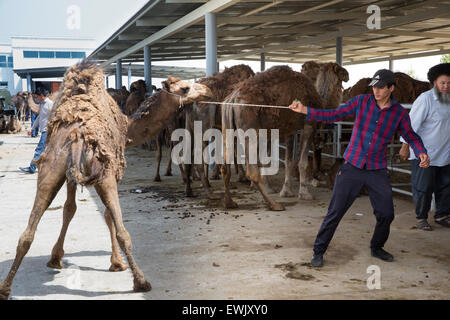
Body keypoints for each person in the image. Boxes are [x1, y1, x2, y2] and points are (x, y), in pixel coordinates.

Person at [289, 69, 430, 267]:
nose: (376, 90)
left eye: (381, 87)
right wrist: (306, 111)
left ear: (391, 88)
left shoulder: (398, 113)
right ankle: (318, 251)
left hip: (377, 170)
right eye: (374, 86)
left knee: (386, 213)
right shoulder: (361, 102)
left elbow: (411, 136)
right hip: (352, 167)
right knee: (335, 212)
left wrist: (421, 151)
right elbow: (334, 114)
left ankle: (376, 247)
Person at [399, 63, 450, 231]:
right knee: (424, 187)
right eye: (443, 82)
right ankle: (421, 217)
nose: (446, 86)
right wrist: (405, 146)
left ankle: (442, 215)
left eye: (449, 83)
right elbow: (411, 125)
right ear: (434, 82)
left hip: (445, 152)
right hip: (424, 153)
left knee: (445, 185)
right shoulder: (425, 99)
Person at [19, 88, 53, 174]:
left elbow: (56, 117)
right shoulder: (42, 104)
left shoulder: (50, 104)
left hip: (47, 131)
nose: (36, 98)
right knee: (46, 151)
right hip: (44, 131)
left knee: (39, 149)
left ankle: (32, 167)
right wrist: (32, 128)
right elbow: (39, 117)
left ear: (42, 95)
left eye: (37, 97)